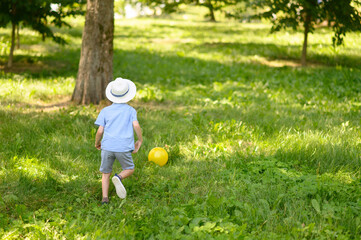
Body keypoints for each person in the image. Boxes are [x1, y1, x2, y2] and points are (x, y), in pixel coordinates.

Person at [94, 77, 143, 204]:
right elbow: (136, 125)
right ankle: (118, 177)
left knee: (105, 173)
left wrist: (97, 143)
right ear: (128, 95)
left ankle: (105, 199)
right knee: (129, 168)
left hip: (107, 147)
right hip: (124, 147)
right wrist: (140, 140)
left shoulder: (105, 111)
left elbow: (100, 131)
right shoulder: (131, 110)